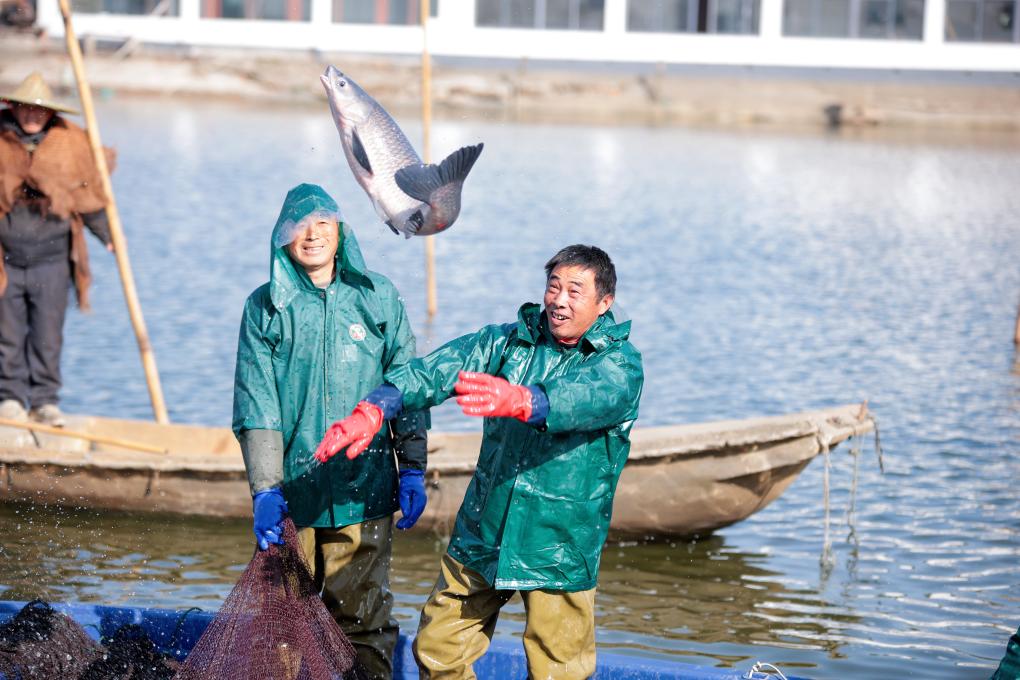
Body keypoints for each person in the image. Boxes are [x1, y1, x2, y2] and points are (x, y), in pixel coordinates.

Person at [316, 244, 644, 680]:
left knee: (559, 670)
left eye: (575, 291)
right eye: (554, 286)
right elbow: (438, 370)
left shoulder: (619, 364)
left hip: (558, 541)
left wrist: (527, 400)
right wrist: (376, 406)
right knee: (437, 648)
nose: (559, 300)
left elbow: (589, 396)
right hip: (484, 528)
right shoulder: (509, 342)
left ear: (605, 303)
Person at [231, 183, 429, 680]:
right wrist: (266, 490)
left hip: (365, 491)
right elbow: (258, 404)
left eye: (323, 222)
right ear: (282, 239)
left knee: (362, 621)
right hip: (294, 496)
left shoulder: (377, 296)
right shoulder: (264, 309)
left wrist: (413, 467)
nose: (313, 234)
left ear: (340, 231)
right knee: (281, 624)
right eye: (300, 226)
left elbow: (409, 385)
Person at [0, 71, 114, 428]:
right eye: (25, 109)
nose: (32, 115)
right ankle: (10, 399)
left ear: (49, 113)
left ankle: (45, 401)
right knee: (7, 334)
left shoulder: (68, 143)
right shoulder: (2, 140)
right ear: (14, 108)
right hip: (6, 258)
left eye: (39, 110)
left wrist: (107, 236)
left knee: (48, 335)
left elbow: (88, 195)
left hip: (52, 259)